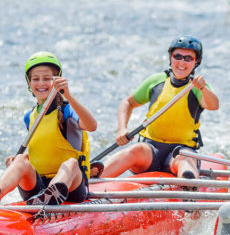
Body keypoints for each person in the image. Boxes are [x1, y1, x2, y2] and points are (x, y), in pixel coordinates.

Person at [0, 52, 97, 207]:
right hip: (38, 188)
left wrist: (68, 95)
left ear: (57, 80)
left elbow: (92, 126)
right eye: (35, 79)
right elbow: (44, 148)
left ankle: (52, 194)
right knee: (20, 160)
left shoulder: (67, 111)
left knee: (71, 163)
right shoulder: (29, 116)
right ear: (29, 83)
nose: (41, 83)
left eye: (47, 78)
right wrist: (16, 164)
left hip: (71, 186)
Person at [91, 35, 219, 179]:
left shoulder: (198, 87)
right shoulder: (156, 81)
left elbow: (213, 105)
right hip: (150, 150)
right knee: (135, 149)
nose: (182, 62)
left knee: (186, 159)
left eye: (188, 58)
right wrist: (122, 128)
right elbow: (128, 103)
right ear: (171, 58)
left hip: (180, 151)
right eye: (177, 56)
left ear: (196, 62)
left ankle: (189, 188)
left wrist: (203, 89)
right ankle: (91, 181)